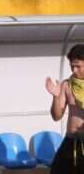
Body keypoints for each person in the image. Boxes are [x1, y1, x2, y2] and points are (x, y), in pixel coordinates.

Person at [46, 44, 84, 173]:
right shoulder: (67, 85)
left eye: (78, 66)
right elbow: (56, 116)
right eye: (72, 66)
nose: (74, 70)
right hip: (71, 140)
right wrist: (56, 97)